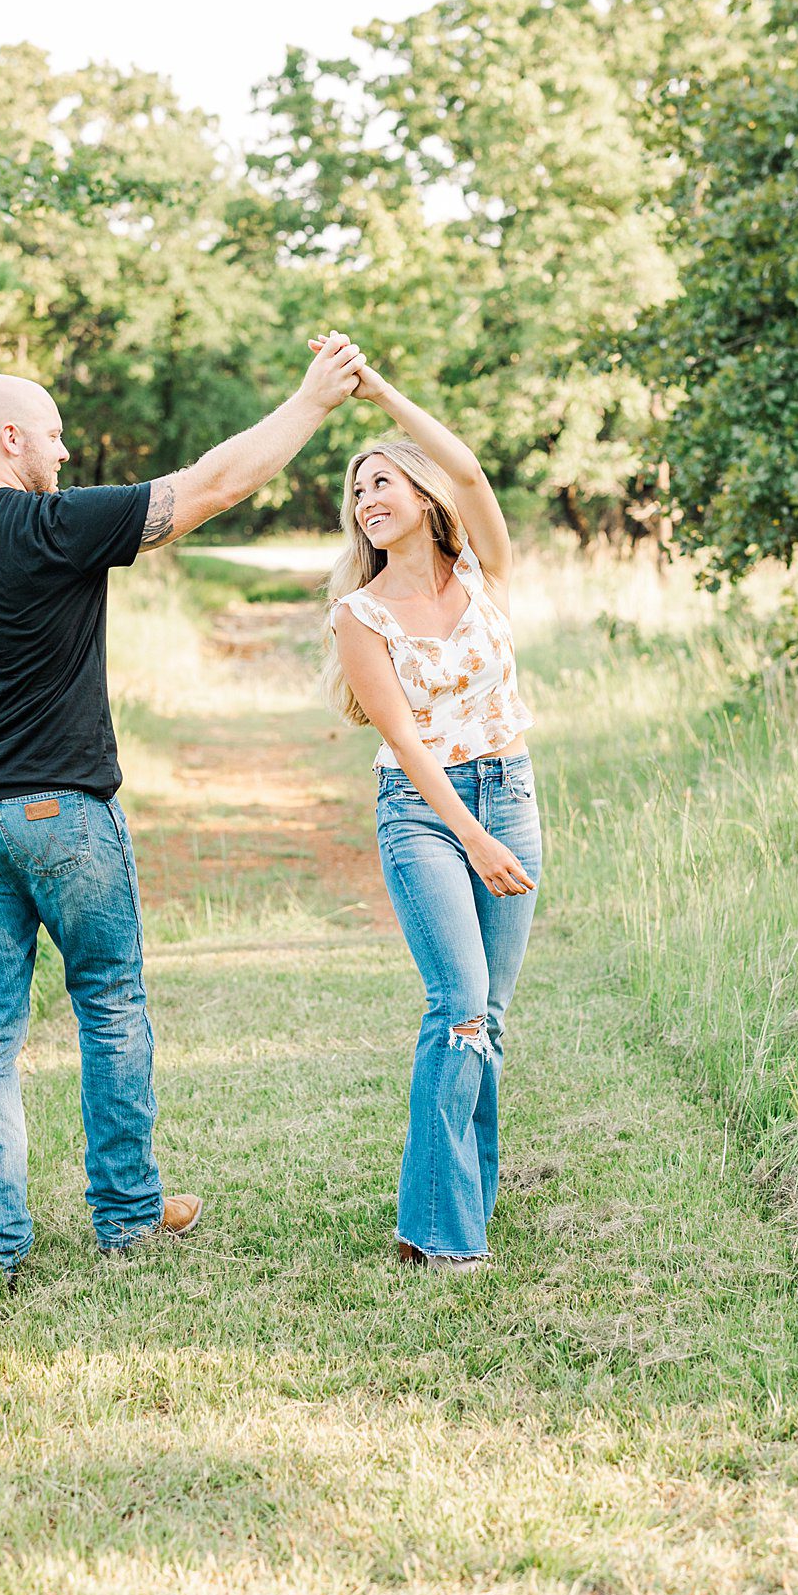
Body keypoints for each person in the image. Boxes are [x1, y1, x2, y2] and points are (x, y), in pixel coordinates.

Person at [0, 334, 366, 1283]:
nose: (62, 456)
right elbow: (211, 486)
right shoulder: (54, 526)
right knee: (111, 1006)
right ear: (9, 438)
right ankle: (128, 1218)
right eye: (51, 438)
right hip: (63, 818)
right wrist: (310, 404)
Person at [321, 348, 541, 1273]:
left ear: (418, 494)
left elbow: (470, 470)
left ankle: (451, 1211)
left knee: (487, 1014)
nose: (369, 497)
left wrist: (378, 395)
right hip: (424, 812)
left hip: (512, 788)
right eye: (357, 490)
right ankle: (445, 1233)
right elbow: (406, 745)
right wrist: (473, 835)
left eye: (383, 481)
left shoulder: (481, 570)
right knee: (455, 1005)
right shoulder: (357, 614)